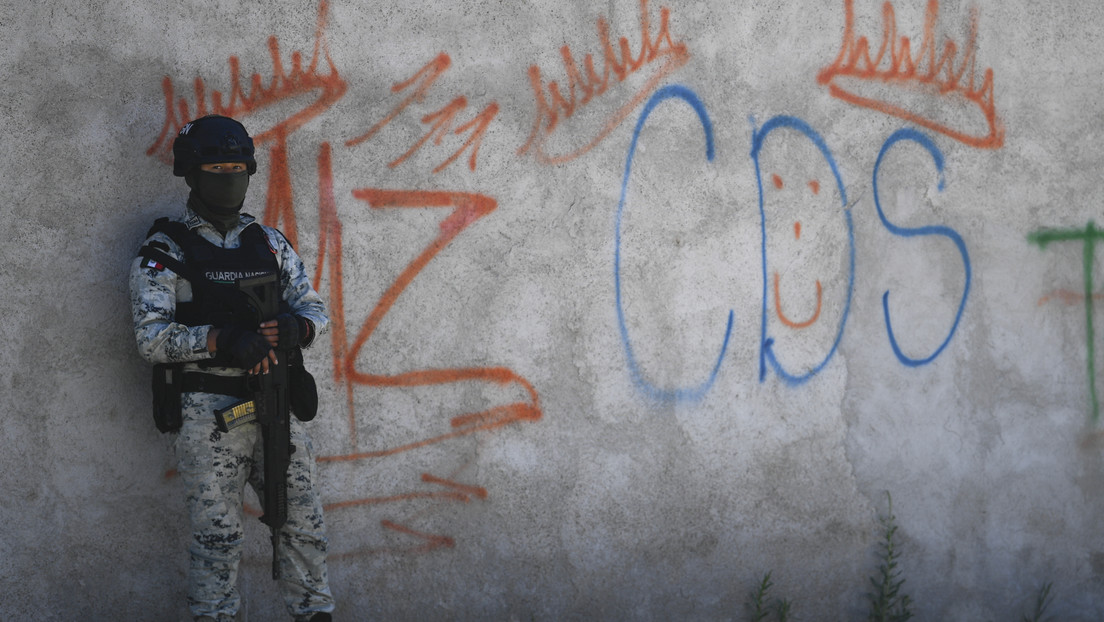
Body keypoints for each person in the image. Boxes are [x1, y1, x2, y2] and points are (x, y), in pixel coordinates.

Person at [129, 114, 335, 622]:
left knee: (302, 529)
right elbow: (151, 338)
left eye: (238, 167)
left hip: (277, 404)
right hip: (211, 417)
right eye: (217, 167)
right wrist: (222, 339)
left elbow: (314, 308)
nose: (229, 177)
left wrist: (297, 330)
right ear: (192, 175)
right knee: (218, 541)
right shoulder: (165, 251)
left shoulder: (269, 243)